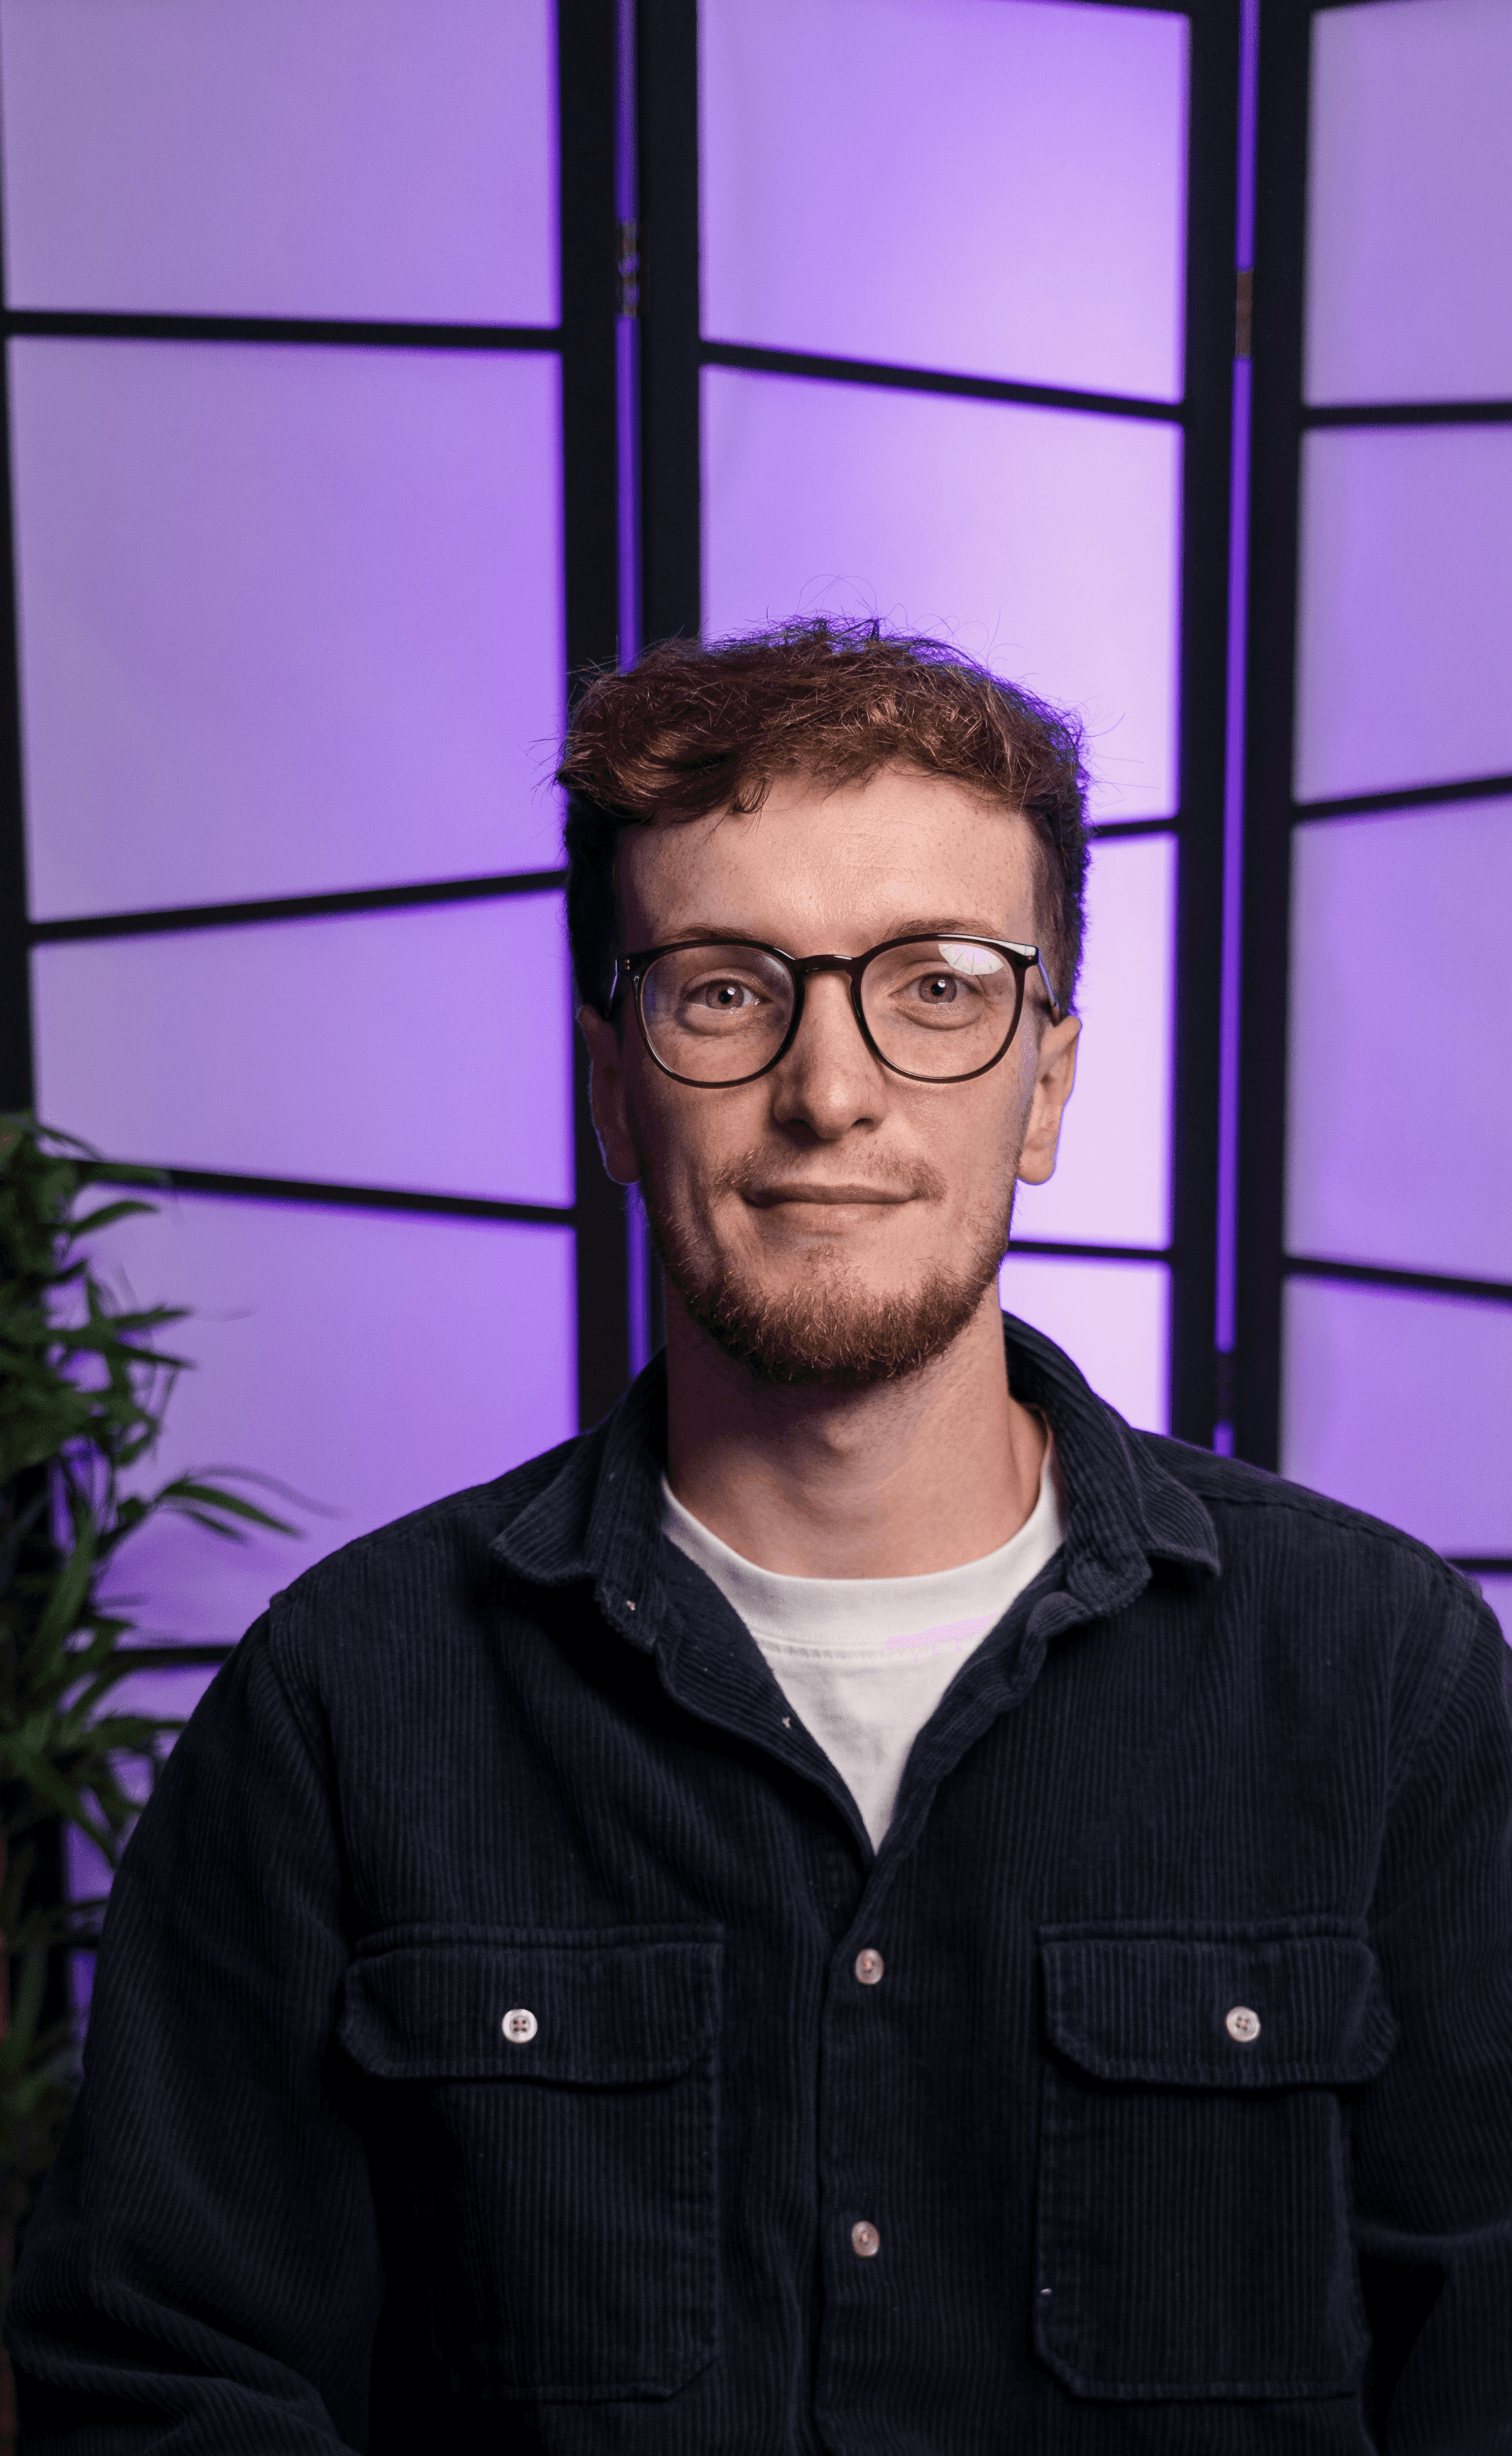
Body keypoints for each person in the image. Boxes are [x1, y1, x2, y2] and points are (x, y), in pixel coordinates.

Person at [9, 621, 1511, 2452]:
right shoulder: (344, 1700)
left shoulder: (1382, 1674)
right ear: (611, 1084)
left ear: (1045, 1084)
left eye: (941, 983)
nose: (831, 1088)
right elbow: (164, 2382)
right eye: (725, 986)